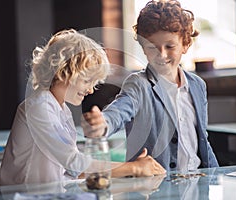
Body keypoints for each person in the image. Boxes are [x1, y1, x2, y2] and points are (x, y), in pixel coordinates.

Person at [0, 29, 165, 186]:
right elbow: (74, 162)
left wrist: (133, 178)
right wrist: (133, 168)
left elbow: (73, 172)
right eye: (87, 81)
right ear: (64, 72)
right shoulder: (39, 106)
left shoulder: (61, 110)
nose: (91, 90)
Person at [82, 0, 219, 172]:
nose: (161, 55)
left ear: (185, 45)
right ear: (143, 49)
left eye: (170, 46)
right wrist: (103, 124)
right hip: (154, 189)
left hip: (198, 185)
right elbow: (119, 111)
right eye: (152, 47)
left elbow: (202, 141)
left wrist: (217, 176)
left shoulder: (198, 85)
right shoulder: (138, 85)